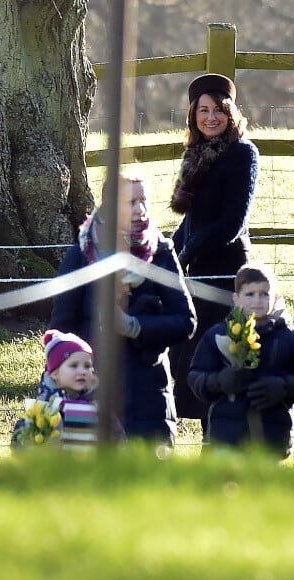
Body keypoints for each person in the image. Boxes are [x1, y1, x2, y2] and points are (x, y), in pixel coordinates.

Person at [49, 174, 196, 446]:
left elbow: (185, 321)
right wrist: (58, 383)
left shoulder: (160, 252)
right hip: (94, 390)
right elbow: (61, 329)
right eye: (132, 202)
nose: (141, 210)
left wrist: (135, 326)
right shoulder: (83, 254)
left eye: (144, 201)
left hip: (148, 390)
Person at [168, 73, 260, 432]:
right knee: (186, 358)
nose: (210, 117)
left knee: (217, 357)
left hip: (224, 272)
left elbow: (231, 223)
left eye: (218, 110)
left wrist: (188, 252)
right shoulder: (197, 154)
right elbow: (191, 221)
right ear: (193, 115)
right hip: (196, 272)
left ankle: (218, 441)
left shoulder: (242, 153)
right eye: (202, 110)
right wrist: (166, 252)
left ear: (231, 113)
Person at [187, 264, 294, 457]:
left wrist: (284, 387)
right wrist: (219, 381)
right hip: (227, 437)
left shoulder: (287, 338)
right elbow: (195, 376)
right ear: (236, 299)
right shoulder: (217, 335)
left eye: (264, 294)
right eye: (250, 294)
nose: (257, 300)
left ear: (276, 298)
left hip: (272, 437)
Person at [11, 329, 126, 447]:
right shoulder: (43, 409)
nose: (82, 371)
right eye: (74, 365)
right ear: (55, 373)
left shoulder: (98, 408)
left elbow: (119, 443)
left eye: (87, 366)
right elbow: (21, 445)